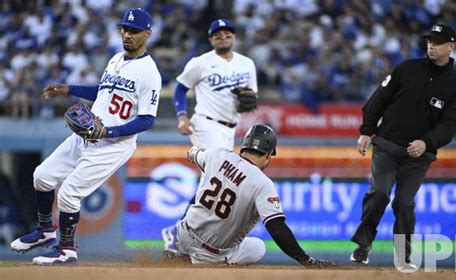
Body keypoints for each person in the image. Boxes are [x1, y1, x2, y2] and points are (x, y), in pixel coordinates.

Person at [10, 8, 161, 265]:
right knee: (42, 176)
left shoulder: (150, 73)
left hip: (113, 144)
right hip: (86, 135)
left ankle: (67, 250)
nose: (128, 34)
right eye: (125, 29)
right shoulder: (116, 59)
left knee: (69, 193)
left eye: (134, 31)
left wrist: (108, 131)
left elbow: (147, 120)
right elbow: (103, 91)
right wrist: (69, 89)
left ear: (147, 34)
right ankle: (46, 231)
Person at [350, 23, 456, 270]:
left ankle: (402, 256)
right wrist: (367, 131)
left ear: (451, 46)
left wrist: (427, 143)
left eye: (437, 42)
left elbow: (449, 126)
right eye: (429, 41)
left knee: (404, 202)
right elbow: (377, 99)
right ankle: (363, 245)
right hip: (387, 145)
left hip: (418, 156)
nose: (431, 46)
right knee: (380, 192)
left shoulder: (455, 86)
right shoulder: (406, 68)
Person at [170, 124, 333, 266]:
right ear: (268, 155)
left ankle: (179, 252)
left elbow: (193, 154)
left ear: (244, 146)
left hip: (183, 234)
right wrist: (305, 259)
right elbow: (277, 228)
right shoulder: (262, 183)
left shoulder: (217, 154)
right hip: (210, 254)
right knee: (258, 248)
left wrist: (194, 152)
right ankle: (208, 262)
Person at [162, 18, 258, 251]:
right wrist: (182, 116)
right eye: (217, 34)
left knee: (215, 182)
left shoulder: (247, 64)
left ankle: (180, 231)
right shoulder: (200, 63)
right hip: (205, 124)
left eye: (227, 33)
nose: (222, 37)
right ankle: (180, 232)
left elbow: (252, 97)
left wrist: (248, 102)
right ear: (210, 39)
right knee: (217, 176)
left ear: (233, 37)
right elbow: (181, 88)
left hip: (230, 129)